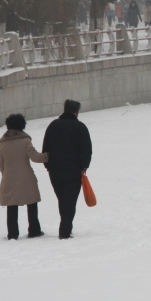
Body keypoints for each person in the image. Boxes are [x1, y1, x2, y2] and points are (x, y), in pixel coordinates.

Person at [42, 99, 92, 239]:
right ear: (77, 112)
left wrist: (48, 166)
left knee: (62, 199)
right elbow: (86, 149)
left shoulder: (53, 126)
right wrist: (84, 167)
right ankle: (65, 231)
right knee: (70, 200)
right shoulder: (80, 127)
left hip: (55, 170)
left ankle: (65, 227)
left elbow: (46, 148)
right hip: (74, 170)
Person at [0, 114, 49, 240]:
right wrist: (47, 156)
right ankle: (34, 230)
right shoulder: (25, 141)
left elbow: (1, 164)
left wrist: (6, 174)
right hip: (26, 177)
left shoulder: (2, 144)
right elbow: (35, 157)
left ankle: (12, 233)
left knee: (11, 206)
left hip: (8, 178)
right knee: (31, 202)